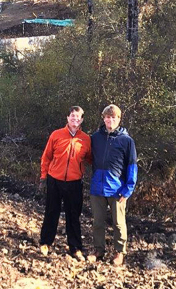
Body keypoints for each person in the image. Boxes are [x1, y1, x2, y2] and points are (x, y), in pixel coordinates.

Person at [39, 106, 92, 260]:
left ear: (82, 120)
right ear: (68, 118)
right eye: (72, 116)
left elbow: (90, 158)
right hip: (54, 180)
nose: (75, 119)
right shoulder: (56, 135)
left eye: (78, 117)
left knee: (73, 215)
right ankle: (45, 243)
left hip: (75, 183)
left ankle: (75, 248)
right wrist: (43, 177)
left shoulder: (86, 139)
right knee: (51, 212)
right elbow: (46, 157)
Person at [88, 104, 137, 266]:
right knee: (98, 222)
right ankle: (98, 250)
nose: (110, 120)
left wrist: (128, 189)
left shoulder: (126, 141)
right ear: (104, 119)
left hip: (117, 189)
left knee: (118, 222)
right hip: (97, 187)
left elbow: (132, 166)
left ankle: (119, 252)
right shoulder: (95, 137)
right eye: (108, 117)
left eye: (113, 117)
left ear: (119, 119)